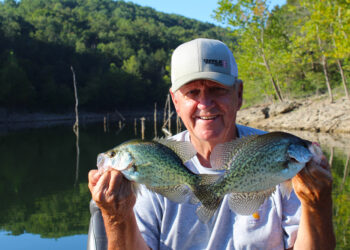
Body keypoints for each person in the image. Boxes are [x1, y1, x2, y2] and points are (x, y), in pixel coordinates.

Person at [88, 38, 335, 250]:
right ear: (175, 101)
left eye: (217, 89)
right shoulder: (154, 162)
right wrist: (115, 216)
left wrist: (317, 203)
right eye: (192, 93)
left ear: (238, 94)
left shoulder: (281, 156)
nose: (205, 104)